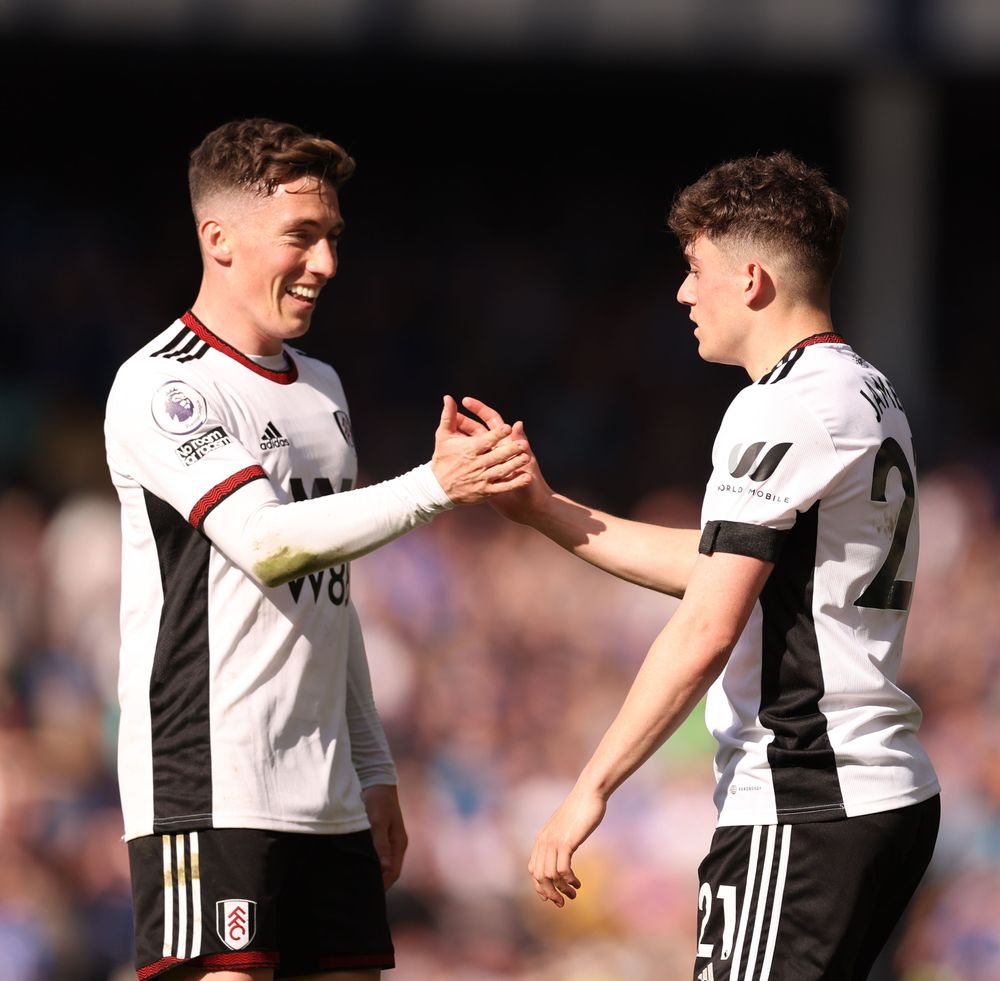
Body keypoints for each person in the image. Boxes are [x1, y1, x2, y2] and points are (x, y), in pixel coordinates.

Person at [461, 151, 940, 980]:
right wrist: (545, 509)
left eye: (694, 269)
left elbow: (709, 622)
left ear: (751, 278)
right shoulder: (866, 388)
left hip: (804, 798)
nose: (684, 293)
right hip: (882, 790)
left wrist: (591, 787)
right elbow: (729, 567)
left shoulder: (779, 406)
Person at [103, 118, 529, 981]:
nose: (326, 263)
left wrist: (371, 765)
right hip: (210, 780)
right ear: (216, 238)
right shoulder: (164, 384)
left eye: (332, 237)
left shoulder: (322, 389)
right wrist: (435, 485)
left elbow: (328, 592)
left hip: (327, 788)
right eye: (301, 236)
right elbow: (266, 542)